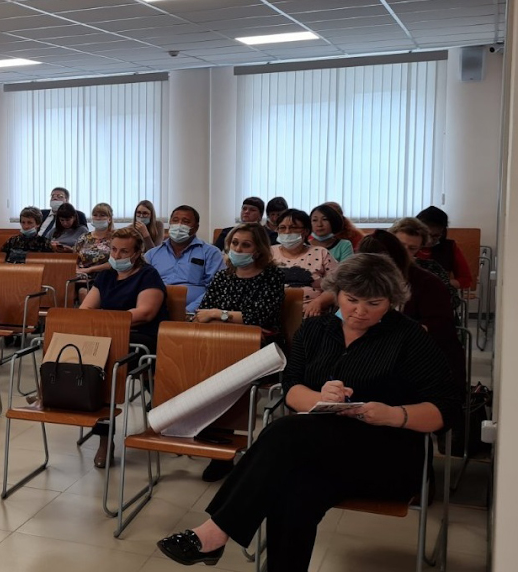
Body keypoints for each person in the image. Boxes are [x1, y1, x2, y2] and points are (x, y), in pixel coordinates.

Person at [157, 254, 460, 571]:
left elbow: (446, 409)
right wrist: (320, 397)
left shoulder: (410, 337)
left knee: (287, 433)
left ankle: (216, 531)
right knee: (295, 489)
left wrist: (393, 415)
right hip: (318, 451)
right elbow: (291, 388)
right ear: (337, 293)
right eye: (352, 300)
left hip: (386, 458)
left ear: (392, 300)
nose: (360, 311)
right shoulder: (315, 330)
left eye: (374, 303)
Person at [193, 223, 285, 482]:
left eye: (246, 245)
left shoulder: (272, 276)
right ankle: (204, 432)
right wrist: (229, 317)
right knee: (196, 363)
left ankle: (222, 451)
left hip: (261, 347)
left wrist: (219, 314)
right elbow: (203, 313)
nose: (238, 249)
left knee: (225, 375)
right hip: (222, 342)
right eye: (235, 244)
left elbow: (261, 317)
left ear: (258, 250)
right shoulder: (224, 277)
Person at [78, 227, 168, 467]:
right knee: (89, 355)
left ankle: (105, 440)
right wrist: (107, 322)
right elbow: (85, 310)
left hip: (142, 340)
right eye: (114, 250)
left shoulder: (148, 275)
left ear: (137, 253)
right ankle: (58, 395)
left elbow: (145, 313)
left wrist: (107, 319)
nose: (117, 256)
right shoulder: (106, 276)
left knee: (105, 363)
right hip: (109, 337)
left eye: (124, 251)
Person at [357, 231, 464, 390]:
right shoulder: (362, 282)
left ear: (395, 260)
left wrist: (394, 337)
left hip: (422, 359)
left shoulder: (427, 283)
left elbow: (440, 325)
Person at [144, 205, 225, 313]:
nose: (179, 225)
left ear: (195, 227)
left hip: (195, 313)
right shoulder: (152, 254)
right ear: (170, 223)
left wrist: (189, 311)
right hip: (155, 310)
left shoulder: (210, 253)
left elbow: (216, 288)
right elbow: (141, 285)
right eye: (175, 220)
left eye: (186, 221)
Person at [271, 209, 338, 317]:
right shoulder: (268, 253)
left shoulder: (321, 253)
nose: (287, 232)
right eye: (282, 228)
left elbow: (336, 286)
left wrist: (319, 302)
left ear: (306, 231)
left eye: (293, 227)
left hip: (311, 313)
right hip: (273, 312)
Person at [391, 217, 463, 314]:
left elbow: (453, 301)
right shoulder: (376, 266)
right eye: (400, 245)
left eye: (412, 248)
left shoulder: (432, 268)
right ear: (390, 241)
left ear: (420, 248)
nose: (404, 252)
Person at [415, 206, 475, 290]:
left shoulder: (449, 247)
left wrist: (442, 284)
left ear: (443, 232)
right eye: (425, 234)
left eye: (435, 236)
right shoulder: (406, 245)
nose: (429, 240)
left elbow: (466, 279)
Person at [72, 203, 117, 300]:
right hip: (81, 276)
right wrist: (77, 269)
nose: (98, 218)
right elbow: (74, 257)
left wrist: (89, 270)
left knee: (83, 292)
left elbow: (114, 262)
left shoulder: (116, 238)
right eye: (95, 215)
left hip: (104, 276)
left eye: (102, 215)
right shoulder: (84, 237)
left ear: (109, 219)